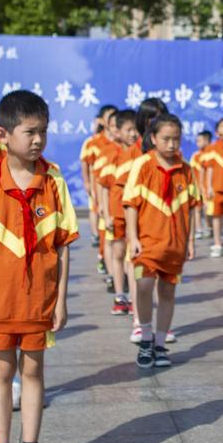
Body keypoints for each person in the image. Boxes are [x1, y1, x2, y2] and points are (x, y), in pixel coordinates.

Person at [0, 89, 76, 443]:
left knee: (33, 371)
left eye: (43, 132)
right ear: (2, 134)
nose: (38, 140)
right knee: (2, 372)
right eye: (30, 132)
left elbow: (63, 246)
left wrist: (61, 299)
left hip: (40, 299)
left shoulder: (54, 181)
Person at [122, 112, 200, 367]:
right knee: (144, 286)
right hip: (146, 243)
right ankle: (144, 337)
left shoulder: (186, 170)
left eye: (176, 139)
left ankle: (159, 343)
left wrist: (190, 241)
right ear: (153, 138)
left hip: (174, 245)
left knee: (167, 292)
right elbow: (130, 203)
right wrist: (132, 238)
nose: (171, 144)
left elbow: (191, 206)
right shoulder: (143, 165)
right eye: (166, 139)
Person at [98, 108, 140, 318]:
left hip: (136, 214)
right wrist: (105, 214)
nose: (133, 134)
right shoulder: (110, 154)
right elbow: (104, 187)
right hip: (116, 212)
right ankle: (120, 294)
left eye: (135, 129)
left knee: (132, 256)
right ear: (118, 131)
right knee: (117, 253)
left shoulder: (141, 153)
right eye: (128, 129)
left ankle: (134, 298)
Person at [79, 106, 113, 250]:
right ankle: (95, 235)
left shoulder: (119, 141)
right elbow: (85, 162)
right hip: (96, 182)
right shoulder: (92, 142)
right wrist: (86, 181)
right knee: (95, 208)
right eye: (108, 116)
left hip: (112, 183)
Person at [202, 118, 223, 257]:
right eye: (220, 127)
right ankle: (217, 243)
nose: (221, 129)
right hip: (216, 188)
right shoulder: (213, 148)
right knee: (216, 217)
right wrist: (208, 186)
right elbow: (209, 168)